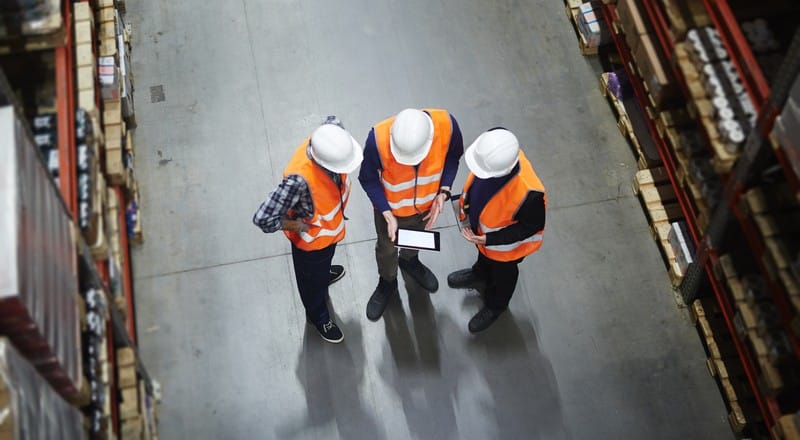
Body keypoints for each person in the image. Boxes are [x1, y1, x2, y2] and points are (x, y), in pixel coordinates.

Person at [252, 117, 363, 343]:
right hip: (310, 246)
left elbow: (333, 119)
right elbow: (262, 218)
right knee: (311, 283)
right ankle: (317, 315)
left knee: (321, 269)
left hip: (329, 235)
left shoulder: (332, 131)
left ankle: (322, 276)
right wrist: (295, 225)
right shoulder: (298, 181)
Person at [358, 108, 463, 321]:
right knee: (387, 249)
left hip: (427, 206)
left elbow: (453, 156)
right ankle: (387, 282)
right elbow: (367, 178)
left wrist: (444, 191)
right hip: (391, 212)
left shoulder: (447, 126)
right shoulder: (377, 139)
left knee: (415, 240)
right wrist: (386, 212)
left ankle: (410, 261)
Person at [448, 128, 546, 333]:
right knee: (484, 259)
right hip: (482, 237)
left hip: (504, 250)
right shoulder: (495, 152)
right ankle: (480, 273)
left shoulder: (530, 193)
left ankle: (496, 305)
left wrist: (490, 239)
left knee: (504, 276)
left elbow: (530, 226)